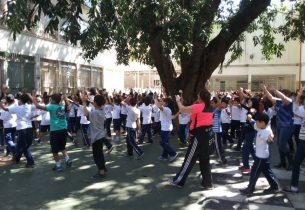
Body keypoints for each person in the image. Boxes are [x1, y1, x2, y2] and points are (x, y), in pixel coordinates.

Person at [169, 89, 214, 189]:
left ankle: (179, 181)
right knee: (205, 160)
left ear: (200, 97)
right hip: (208, 135)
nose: (197, 96)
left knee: (189, 159)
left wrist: (177, 100)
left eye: (198, 95)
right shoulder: (210, 106)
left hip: (199, 136)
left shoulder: (199, 107)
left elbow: (182, 109)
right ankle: (208, 183)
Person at [31, 93, 72, 171]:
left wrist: (33, 97)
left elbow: (38, 106)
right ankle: (67, 159)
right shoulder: (62, 106)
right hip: (64, 129)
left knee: (54, 150)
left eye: (51, 99)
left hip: (55, 131)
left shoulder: (51, 106)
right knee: (62, 147)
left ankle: (58, 165)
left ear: (53, 100)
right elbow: (67, 107)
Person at [240, 113, 279, 195]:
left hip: (261, 157)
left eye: (258, 122)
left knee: (254, 172)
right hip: (263, 156)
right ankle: (274, 186)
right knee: (267, 172)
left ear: (263, 123)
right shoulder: (259, 127)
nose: (256, 123)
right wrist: (250, 118)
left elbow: (270, 137)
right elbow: (254, 123)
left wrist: (270, 139)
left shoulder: (266, 131)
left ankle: (250, 189)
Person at [263, 85, 294, 170]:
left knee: (282, 145)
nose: (279, 94)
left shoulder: (290, 101)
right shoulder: (279, 102)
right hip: (280, 125)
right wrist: (265, 90)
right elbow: (270, 97)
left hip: (287, 126)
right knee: (279, 145)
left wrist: (275, 90)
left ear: (287, 94)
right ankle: (283, 163)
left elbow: (283, 97)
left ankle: (291, 161)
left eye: (282, 92)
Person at [0, 94, 35, 167]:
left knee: (24, 145)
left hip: (21, 129)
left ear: (21, 100)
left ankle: (30, 161)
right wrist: (32, 97)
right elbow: (37, 106)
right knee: (21, 144)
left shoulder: (17, 108)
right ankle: (17, 157)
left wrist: (1, 104)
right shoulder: (30, 106)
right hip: (29, 128)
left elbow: (5, 109)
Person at [82, 94, 109, 178]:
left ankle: (101, 172)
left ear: (96, 103)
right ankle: (103, 168)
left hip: (96, 137)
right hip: (100, 135)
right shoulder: (102, 110)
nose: (93, 103)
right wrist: (89, 101)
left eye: (94, 102)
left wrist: (84, 102)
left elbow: (86, 114)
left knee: (97, 155)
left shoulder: (94, 113)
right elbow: (98, 104)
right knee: (100, 153)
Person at [284, 91, 305, 193]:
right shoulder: (303, 111)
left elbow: (295, 109)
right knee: (296, 164)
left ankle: (294, 186)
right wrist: (298, 97)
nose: (304, 105)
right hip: (302, 142)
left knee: (296, 163)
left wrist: (298, 97)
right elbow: (295, 109)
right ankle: (294, 186)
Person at [154, 97, 177, 162]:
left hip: (165, 128)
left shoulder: (166, 109)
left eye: (163, 102)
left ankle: (173, 153)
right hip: (167, 127)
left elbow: (159, 106)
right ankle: (164, 156)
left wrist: (155, 98)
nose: (162, 102)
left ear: (166, 103)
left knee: (163, 142)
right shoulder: (168, 109)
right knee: (166, 142)